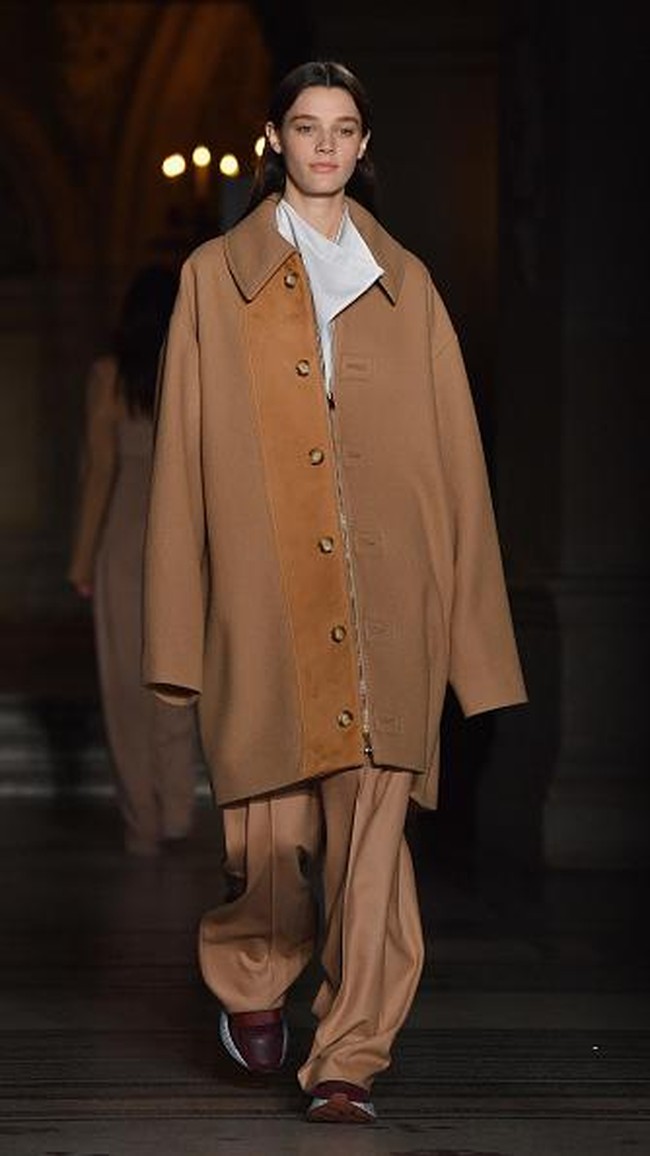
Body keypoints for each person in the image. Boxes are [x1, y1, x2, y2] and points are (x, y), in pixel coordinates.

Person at [142, 61, 527, 1122]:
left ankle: (350, 1053)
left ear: (364, 147)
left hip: (387, 604)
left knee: (371, 844)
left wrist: (474, 646)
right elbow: (179, 461)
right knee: (266, 834)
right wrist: (178, 631)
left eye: (344, 128)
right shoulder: (213, 278)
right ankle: (254, 973)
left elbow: (457, 466)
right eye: (305, 126)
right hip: (265, 603)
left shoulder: (407, 289)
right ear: (275, 138)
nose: (324, 145)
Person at [68, 265, 199, 858]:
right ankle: (176, 809)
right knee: (177, 680)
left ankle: (142, 820)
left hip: (124, 536)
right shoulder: (195, 368)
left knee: (125, 683)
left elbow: (99, 471)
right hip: (186, 536)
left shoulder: (109, 376)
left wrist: (81, 559)